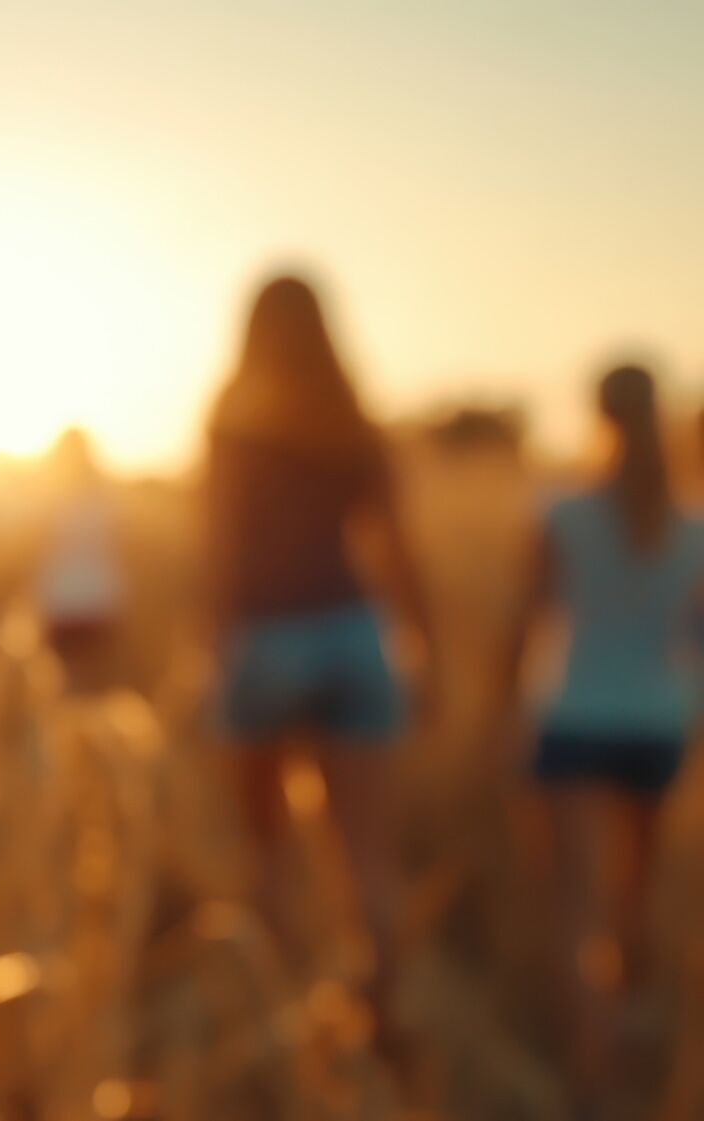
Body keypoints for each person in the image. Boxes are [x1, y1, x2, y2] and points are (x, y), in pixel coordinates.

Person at [202, 273, 433, 1045]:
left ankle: (273, 1029)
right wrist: (426, 648)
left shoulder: (230, 424)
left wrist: (215, 645)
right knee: (368, 857)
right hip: (354, 635)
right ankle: (384, 1019)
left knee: (265, 855)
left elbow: (221, 547)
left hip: (266, 636)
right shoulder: (356, 425)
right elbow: (400, 552)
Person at [500, 365, 704, 1099]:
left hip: (575, 717)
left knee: (577, 907)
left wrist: (504, 715)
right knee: (635, 895)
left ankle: (594, 1073)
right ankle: (633, 1019)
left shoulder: (562, 512)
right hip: (660, 723)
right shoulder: (694, 527)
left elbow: (529, 619)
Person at [33, 427, 125, 691]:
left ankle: (68, 730)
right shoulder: (107, 496)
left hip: (61, 601)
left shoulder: (51, 496)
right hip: (100, 600)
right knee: (93, 685)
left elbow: (40, 551)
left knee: (63, 686)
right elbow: (117, 546)